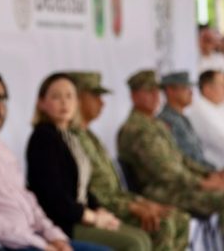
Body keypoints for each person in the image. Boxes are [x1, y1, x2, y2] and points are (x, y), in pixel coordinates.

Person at [0, 69, 108, 251]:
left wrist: (55, 237)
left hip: (32, 237)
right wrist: (42, 244)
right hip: (7, 243)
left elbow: (28, 200)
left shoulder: (0, 148)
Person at [27, 73, 151, 251]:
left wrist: (99, 210)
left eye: (69, 96)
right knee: (133, 243)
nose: (64, 102)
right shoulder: (43, 138)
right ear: (42, 103)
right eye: (56, 97)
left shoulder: (69, 136)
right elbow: (55, 199)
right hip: (63, 224)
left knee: (142, 238)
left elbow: (82, 187)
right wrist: (93, 218)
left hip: (81, 216)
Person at [69, 71, 190, 251]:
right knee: (161, 225)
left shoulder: (89, 136)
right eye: (95, 96)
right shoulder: (71, 140)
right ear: (77, 99)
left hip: (117, 201)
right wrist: (133, 206)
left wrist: (142, 203)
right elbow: (95, 195)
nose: (102, 102)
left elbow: (113, 189)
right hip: (100, 210)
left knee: (179, 219)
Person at [117, 69, 224, 234]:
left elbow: (180, 158)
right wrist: (201, 182)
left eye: (156, 91)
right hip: (160, 191)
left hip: (176, 185)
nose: (155, 96)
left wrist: (208, 174)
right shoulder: (137, 129)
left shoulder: (154, 124)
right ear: (134, 96)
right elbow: (165, 170)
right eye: (149, 92)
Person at [158, 71, 216, 170]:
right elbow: (183, 160)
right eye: (185, 88)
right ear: (170, 91)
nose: (191, 93)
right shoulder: (167, 120)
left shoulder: (182, 118)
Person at [188, 70, 224, 169]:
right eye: (222, 85)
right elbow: (221, 139)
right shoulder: (200, 110)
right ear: (207, 88)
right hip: (214, 169)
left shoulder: (216, 106)